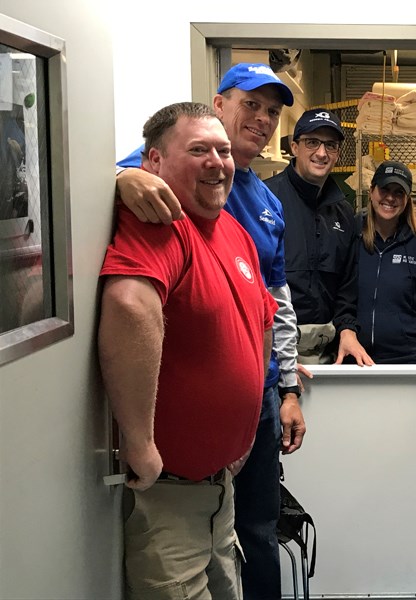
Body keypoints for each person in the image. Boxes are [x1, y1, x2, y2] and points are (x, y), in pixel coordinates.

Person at [115, 62, 306, 600]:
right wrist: (121, 179)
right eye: (252, 104)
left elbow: (275, 305)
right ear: (219, 105)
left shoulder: (263, 206)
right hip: (175, 458)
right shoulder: (165, 176)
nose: (263, 119)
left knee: (257, 531)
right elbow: (101, 190)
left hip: (257, 406)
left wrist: (285, 386)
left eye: (273, 112)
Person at [264, 109, 374, 366]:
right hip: (273, 347)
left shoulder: (344, 211)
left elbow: (347, 284)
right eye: (312, 142)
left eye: (330, 145)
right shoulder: (266, 199)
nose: (322, 153)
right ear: (294, 146)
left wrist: (347, 328)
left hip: (328, 353)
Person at [356, 160, 416, 363]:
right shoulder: (351, 236)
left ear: (407, 199)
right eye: (384, 189)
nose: (390, 198)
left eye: (398, 192)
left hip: (406, 360)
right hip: (355, 359)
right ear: (372, 191)